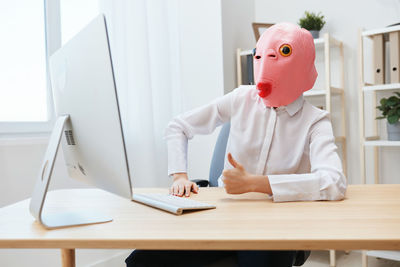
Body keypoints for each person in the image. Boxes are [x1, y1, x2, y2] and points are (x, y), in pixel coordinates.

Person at [126, 22, 347, 267]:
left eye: (283, 53)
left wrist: (257, 183)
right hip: (225, 218)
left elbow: (334, 182)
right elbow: (178, 126)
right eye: (260, 55)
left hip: (276, 226)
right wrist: (179, 176)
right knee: (142, 259)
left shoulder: (316, 121)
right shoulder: (242, 98)